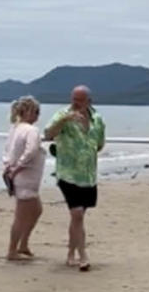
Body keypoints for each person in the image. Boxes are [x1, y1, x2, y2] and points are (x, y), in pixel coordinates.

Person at [43, 85, 106, 272]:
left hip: (88, 175)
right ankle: (83, 256)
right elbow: (48, 134)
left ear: (88, 101)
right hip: (67, 173)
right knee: (76, 214)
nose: (75, 103)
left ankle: (71, 253)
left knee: (77, 217)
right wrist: (64, 120)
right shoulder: (63, 114)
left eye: (79, 99)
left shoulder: (97, 118)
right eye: (73, 99)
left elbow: (100, 144)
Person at [2, 96, 46, 261]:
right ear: (28, 112)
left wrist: (9, 167)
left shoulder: (15, 129)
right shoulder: (30, 130)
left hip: (20, 175)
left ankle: (23, 244)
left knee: (36, 210)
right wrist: (18, 166)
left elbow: (7, 152)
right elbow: (31, 150)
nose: (38, 116)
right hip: (25, 176)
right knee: (21, 215)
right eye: (36, 112)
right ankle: (12, 250)